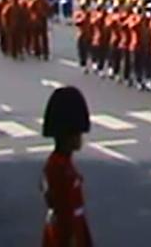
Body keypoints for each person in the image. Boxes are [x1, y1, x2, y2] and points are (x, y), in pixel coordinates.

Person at [41, 86, 94, 247]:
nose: (80, 138)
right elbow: (65, 215)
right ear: (67, 136)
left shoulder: (64, 164)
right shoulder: (58, 168)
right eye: (77, 134)